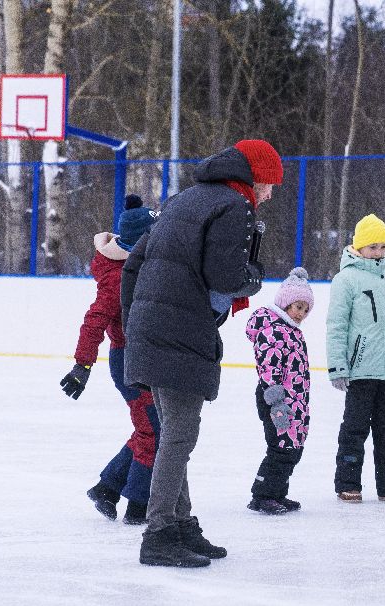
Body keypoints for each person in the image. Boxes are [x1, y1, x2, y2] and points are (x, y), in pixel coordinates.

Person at [121, 139, 282, 567]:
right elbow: (225, 276)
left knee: (175, 432)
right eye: (268, 184)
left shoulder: (184, 199)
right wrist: (256, 276)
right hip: (181, 332)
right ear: (252, 178)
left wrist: (135, 321)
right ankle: (158, 534)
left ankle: (181, 525)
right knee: (179, 436)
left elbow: (134, 264)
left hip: (153, 329)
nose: (269, 194)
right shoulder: (234, 206)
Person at [60, 195, 159, 526]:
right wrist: (82, 365)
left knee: (151, 427)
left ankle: (108, 487)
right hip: (129, 362)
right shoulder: (119, 276)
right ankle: (138, 504)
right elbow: (95, 319)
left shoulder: (141, 262)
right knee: (153, 430)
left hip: (144, 357)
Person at [326, 214, 385, 504]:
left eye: (383, 247)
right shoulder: (346, 280)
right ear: (359, 247)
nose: (379, 252)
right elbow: (336, 326)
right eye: (373, 247)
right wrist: (338, 367)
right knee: (354, 428)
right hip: (361, 369)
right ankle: (348, 483)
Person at [244, 267, 314, 515]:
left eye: (306, 310)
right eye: (298, 307)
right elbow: (269, 367)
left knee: (292, 448)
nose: (301, 314)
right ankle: (262, 495)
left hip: (294, 400)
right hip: (275, 399)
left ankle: (277, 493)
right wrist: (276, 402)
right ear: (285, 304)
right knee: (280, 448)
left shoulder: (292, 331)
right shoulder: (273, 330)